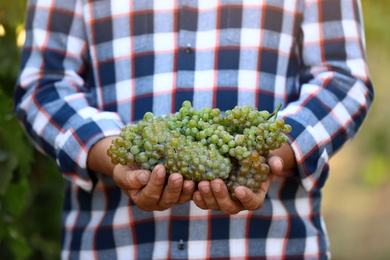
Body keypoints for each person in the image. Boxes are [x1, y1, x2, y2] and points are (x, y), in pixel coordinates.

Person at [14, 0, 373, 259]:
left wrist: (273, 153)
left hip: (273, 246)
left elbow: (341, 77)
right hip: (113, 246)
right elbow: (44, 83)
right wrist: (107, 150)